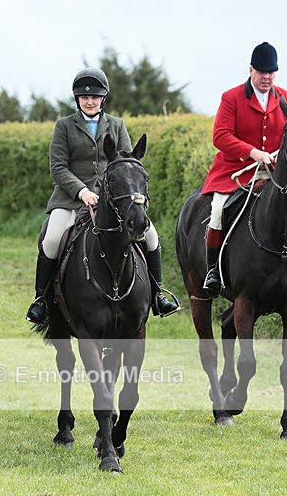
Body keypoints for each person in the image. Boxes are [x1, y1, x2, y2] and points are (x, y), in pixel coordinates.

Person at [26, 67, 180, 323]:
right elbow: (58, 168)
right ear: (77, 99)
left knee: (150, 236)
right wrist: (82, 191)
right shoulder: (64, 126)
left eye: (95, 97)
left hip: (113, 198)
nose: (89, 101)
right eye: (84, 97)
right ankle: (41, 300)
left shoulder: (117, 125)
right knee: (52, 239)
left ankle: (158, 295)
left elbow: (127, 163)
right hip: (71, 198)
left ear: (103, 98)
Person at [201, 41, 287, 297]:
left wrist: (280, 155)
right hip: (237, 171)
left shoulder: (286, 97)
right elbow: (220, 136)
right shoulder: (231, 98)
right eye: (262, 72)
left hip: (276, 172)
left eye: (271, 72)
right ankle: (213, 272)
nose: (266, 77)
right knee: (218, 211)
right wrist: (253, 152)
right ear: (251, 70)